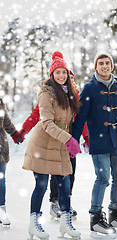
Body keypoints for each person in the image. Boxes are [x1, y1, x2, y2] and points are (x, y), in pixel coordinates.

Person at [72, 51, 117, 238]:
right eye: (101, 63)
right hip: (99, 140)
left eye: (107, 63)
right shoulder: (89, 88)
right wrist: (73, 139)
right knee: (102, 178)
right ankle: (95, 218)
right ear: (95, 67)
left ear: (112, 66)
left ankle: (115, 214)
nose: (104, 66)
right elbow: (80, 117)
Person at [22, 51, 81, 240]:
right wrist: (68, 139)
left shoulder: (71, 93)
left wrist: (78, 138)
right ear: (52, 75)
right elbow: (46, 123)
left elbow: (73, 120)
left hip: (60, 144)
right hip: (42, 144)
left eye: (64, 72)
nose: (61, 76)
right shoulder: (46, 93)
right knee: (41, 185)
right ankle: (34, 225)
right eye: (57, 73)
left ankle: (65, 223)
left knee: (64, 184)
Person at [16, 70, 89, 220]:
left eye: (67, 75)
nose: (64, 77)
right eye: (59, 74)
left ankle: (65, 207)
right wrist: (23, 131)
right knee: (51, 179)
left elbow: (82, 119)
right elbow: (37, 115)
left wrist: (86, 138)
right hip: (53, 141)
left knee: (69, 177)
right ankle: (55, 203)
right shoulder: (50, 94)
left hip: (70, 143)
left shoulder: (74, 95)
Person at [0, 98, 22, 226]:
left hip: (0, 149)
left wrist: (14, 133)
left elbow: (6, 120)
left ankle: (2, 211)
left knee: (1, 182)